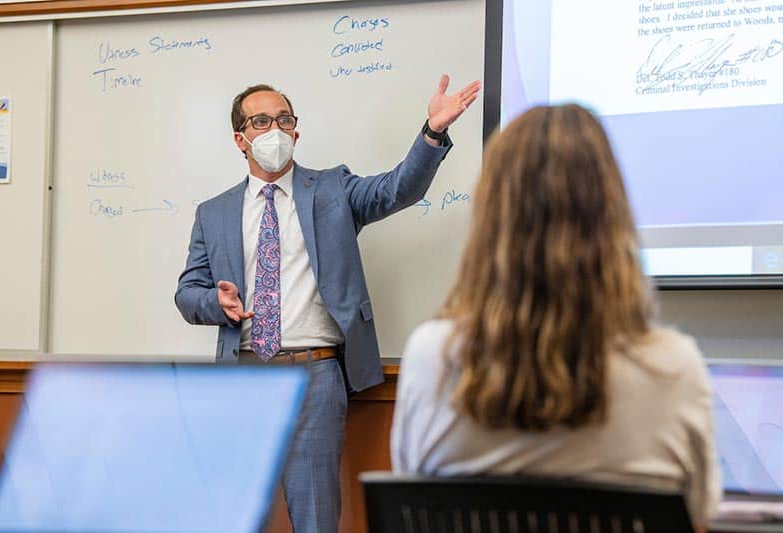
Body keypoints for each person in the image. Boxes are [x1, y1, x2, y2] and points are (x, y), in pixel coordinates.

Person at [390, 104, 721, 532]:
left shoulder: (432, 356)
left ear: (491, 219)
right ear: (611, 214)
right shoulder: (673, 367)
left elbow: (410, 503)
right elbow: (698, 516)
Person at [175, 75, 480, 532]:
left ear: (296, 132)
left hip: (314, 375)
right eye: (261, 121)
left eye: (284, 119)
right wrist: (217, 304)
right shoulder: (214, 212)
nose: (275, 129)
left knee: (315, 516)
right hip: (241, 377)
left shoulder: (333, 190)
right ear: (240, 139)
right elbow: (187, 292)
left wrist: (432, 131)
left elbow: (398, 189)